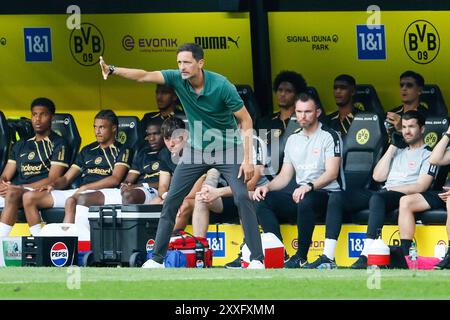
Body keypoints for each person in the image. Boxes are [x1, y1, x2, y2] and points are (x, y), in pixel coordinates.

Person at [99, 42, 264, 269]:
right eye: (179, 63)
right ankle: (156, 259)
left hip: (228, 148)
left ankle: (256, 259)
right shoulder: (177, 79)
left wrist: (248, 159)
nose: (182, 67)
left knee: (242, 197)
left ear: (200, 63)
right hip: (196, 151)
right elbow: (144, 76)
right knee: (171, 200)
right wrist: (113, 69)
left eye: (187, 62)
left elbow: (246, 120)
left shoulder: (222, 85)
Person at [310, 110, 435, 269]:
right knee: (337, 197)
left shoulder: (429, 154)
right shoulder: (398, 150)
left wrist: (392, 189)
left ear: (422, 129)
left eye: (411, 127)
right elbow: (378, 176)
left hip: (404, 194)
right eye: (404, 127)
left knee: (378, 198)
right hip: (385, 192)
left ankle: (366, 254)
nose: (407, 131)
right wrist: (393, 147)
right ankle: (328, 256)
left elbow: (421, 186)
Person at [253, 93, 342, 269]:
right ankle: (280, 251)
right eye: (299, 111)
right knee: (262, 200)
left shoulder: (329, 135)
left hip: (326, 195)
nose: (302, 116)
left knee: (305, 199)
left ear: (317, 112)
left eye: (308, 111)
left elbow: (332, 173)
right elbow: (285, 176)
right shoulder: (292, 139)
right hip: (301, 196)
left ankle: (301, 256)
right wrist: (266, 187)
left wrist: (308, 187)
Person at [22, 110, 131, 234]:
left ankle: (70, 242)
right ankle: (38, 240)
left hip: (105, 192)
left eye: (102, 127)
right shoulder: (87, 150)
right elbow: (67, 178)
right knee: (29, 197)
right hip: (81, 190)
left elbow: (115, 179)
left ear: (113, 128)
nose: (97, 131)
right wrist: (53, 185)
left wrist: (85, 187)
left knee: (72, 200)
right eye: (95, 127)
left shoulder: (123, 149)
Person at [0, 97, 70, 237]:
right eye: (34, 115)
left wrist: (21, 187)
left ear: (51, 117)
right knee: (12, 192)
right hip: (16, 190)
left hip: (40, 190)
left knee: (13, 193)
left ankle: (5, 241)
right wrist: (2, 183)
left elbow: (53, 178)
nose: (37, 119)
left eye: (43, 114)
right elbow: (6, 173)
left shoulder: (59, 143)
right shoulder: (20, 144)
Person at [398, 124, 450, 269]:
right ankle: (405, 256)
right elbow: (434, 159)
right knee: (406, 201)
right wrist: (448, 134)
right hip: (445, 192)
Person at [256, 70, 308, 175]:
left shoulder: (304, 121)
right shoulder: (264, 122)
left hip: (295, 175)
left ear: (297, 95)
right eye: (280, 90)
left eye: (288, 91)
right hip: (265, 174)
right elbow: (257, 153)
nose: (282, 94)